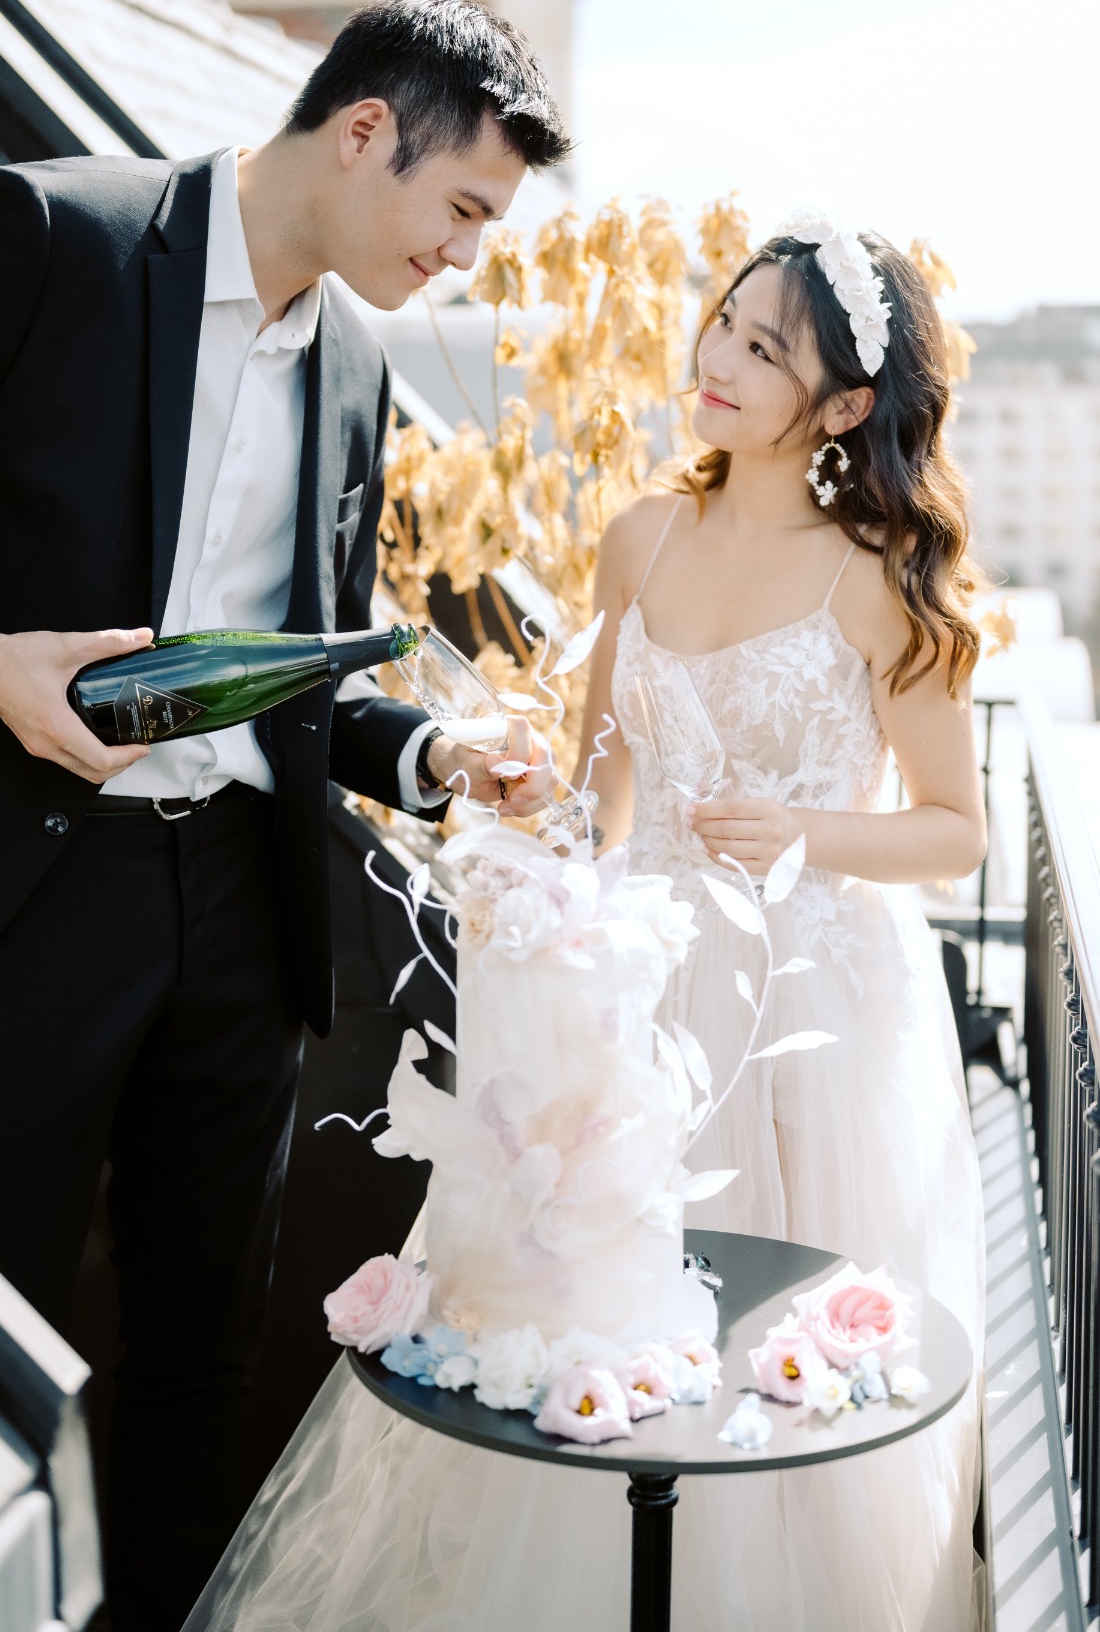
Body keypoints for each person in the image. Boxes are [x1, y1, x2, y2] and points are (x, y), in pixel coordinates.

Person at [182, 216, 987, 1631]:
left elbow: (954, 829)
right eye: (721, 323)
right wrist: (532, 831)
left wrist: (811, 832)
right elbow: (608, 800)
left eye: (762, 347)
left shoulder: (882, 578)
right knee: (594, 1340)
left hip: (816, 1022)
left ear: (849, 407)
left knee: (773, 1375)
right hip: (643, 1010)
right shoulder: (638, 537)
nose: (714, 358)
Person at [0, 0, 562, 1632]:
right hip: (12, 912)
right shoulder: (45, 235)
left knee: (204, 1356)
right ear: (360, 134)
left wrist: (428, 758)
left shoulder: (354, 358)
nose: (470, 254)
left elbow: (293, 673)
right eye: (464, 207)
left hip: (238, 932)